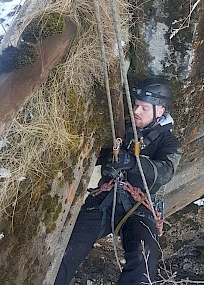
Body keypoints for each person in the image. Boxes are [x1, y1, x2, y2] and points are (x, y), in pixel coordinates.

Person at [54, 77, 181, 285]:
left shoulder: (168, 142)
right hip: (105, 199)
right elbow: (97, 153)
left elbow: (165, 171)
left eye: (144, 108)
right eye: (135, 105)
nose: (136, 112)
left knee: (145, 260)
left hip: (139, 206)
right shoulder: (122, 129)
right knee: (66, 250)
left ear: (160, 110)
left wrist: (132, 162)